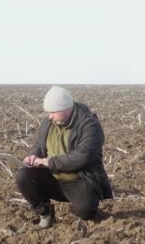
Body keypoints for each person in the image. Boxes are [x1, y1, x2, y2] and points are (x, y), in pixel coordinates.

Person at [16, 86, 113, 229]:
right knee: (24, 176)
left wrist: (49, 162)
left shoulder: (90, 125)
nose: (50, 116)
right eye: (48, 112)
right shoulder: (48, 123)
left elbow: (82, 157)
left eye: (53, 112)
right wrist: (33, 156)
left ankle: (79, 214)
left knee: (85, 210)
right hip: (54, 178)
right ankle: (46, 214)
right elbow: (39, 145)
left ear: (66, 108)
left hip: (81, 180)